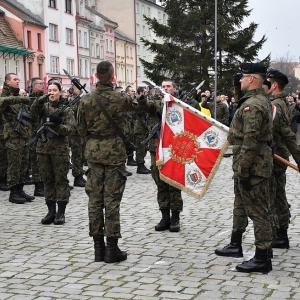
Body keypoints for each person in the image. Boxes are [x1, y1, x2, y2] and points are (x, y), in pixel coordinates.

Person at [77, 61, 143, 263]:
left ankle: (98, 248)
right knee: (112, 201)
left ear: (96, 76)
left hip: (94, 153)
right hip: (115, 153)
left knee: (95, 201)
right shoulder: (120, 97)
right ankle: (112, 249)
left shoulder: (86, 100)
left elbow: (80, 130)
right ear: (113, 77)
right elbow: (139, 107)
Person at [215, 63, 274, 273]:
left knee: (259, 212)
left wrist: (244, 170)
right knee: (243, 206)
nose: (239, 80)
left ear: (251, 79)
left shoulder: (254, 105)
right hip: (249, 163)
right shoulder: (253, 100)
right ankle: (239, 245)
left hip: (253, 165)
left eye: (242, 77)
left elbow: (251, 140)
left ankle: (262, 258)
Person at [30, 81, 77, 225]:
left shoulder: (66, 109)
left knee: (61, 180)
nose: (52, 93)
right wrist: (41, 99)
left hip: (60, 150)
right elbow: (33, 111)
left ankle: (61, 212)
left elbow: (71, 129)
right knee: (47, 181)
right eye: (49, 90)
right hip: (43, 149)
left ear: (60, 92)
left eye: (54, 90)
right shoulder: (43, 107)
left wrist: (58, 125)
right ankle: (51, 211)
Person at [266, 69, 300, 249]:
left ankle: (280, 234)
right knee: (276, 194)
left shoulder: (276, 106)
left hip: (276, 157)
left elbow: (286, 135)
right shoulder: (278, 103)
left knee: (275, 196)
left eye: (267, 82)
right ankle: (280, 233)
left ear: (274, 85)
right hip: (277, 155)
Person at [146, 78, 183, 232]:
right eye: (163, 87)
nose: (166, 89)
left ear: (174, 89)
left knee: (174, 184)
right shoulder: (156, 103)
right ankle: (164, 216)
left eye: (169, 86)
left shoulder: (181, 105)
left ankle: (175, 217)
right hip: (157, 149)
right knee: (160, 183)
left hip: (175, 150)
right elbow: (147, 106)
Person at [1, 73, 35, 204]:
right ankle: (13, 192)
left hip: (24, 135)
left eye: (18, 79)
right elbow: (4, 101)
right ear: (7, 82)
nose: (18, 81)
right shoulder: (5, 96)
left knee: (23, 164)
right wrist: (20, 99)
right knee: (14, 165)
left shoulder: (18, 96)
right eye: (15, 79)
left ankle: (20, 189)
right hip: (13, 136)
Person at [28, 77, 45, 197]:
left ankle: (42, 185)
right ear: (34, 86)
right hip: (34, 132)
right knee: (35, 161)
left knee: (41, 161)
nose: (42, 85)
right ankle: (38, 187)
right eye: (40, 84)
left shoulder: (42, 98)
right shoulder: (31, 99)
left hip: (42, 130)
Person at [67, 85, 87, 187]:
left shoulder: (81, 99)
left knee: (82, 155)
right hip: (74, 133)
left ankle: (80, 174)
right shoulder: (71, 100)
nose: (80, 90)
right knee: (77, 155)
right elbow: (72, 112)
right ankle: (77, 177)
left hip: (81, 132)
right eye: (78, 89)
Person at [134, 87, 151, 174]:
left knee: (144, 148)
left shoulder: (144, 101)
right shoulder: (137, 101)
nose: (146, 93)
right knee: (140, 148)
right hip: (139, 129)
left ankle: (142, 164)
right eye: (145, 92)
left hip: (144, 128)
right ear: (141, 92)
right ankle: (140, 166)